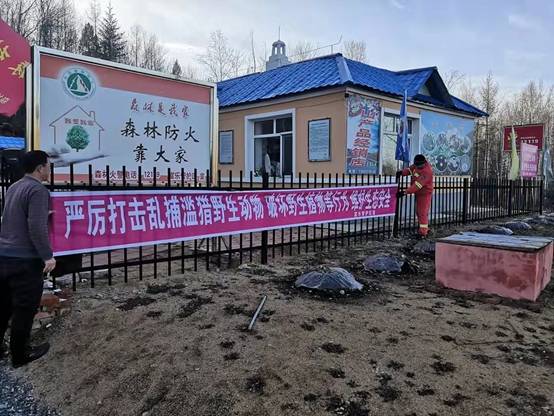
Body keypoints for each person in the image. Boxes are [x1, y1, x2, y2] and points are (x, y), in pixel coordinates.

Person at [0, 150, 55, 368]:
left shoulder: (14, 187)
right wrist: (47, 256)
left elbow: (14, 218)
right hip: (25, 260)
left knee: (3, 307)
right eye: (48, 165)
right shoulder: (38, 190)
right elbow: (36, 228)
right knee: (25, 308)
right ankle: (20, 354)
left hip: (4, 256)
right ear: (40, 168)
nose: (49, 169)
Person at [396, 154, 434, 238]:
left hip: (424, 194)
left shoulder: (427, 172)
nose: (417, 167)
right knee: (418, 211)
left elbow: (417, 185)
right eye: (416, 165)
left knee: (422, 212)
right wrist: (402, 172)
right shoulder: (417, 165)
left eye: (418, 166)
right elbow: (410, 170)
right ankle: (425, 229)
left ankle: (423, 233)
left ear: (424, 163)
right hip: (418, 193)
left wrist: (405, 192)